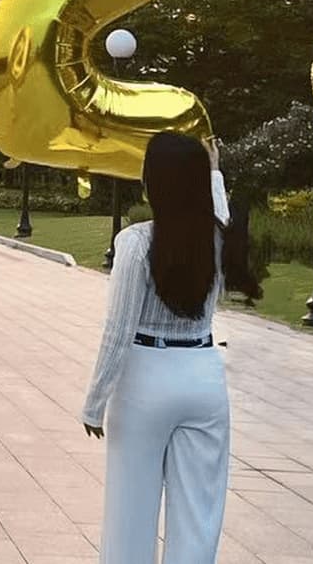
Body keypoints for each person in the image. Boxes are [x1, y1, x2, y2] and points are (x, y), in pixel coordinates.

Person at [81, 133, 258, 564]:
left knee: (130, 514)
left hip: (145, 377)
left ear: (151, 183)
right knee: (199, 514)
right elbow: (218, 214)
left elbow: (118, 329)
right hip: (202, 373)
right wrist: (214, 171)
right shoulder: (217, 240)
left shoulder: (136, 242)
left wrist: (94, 401)